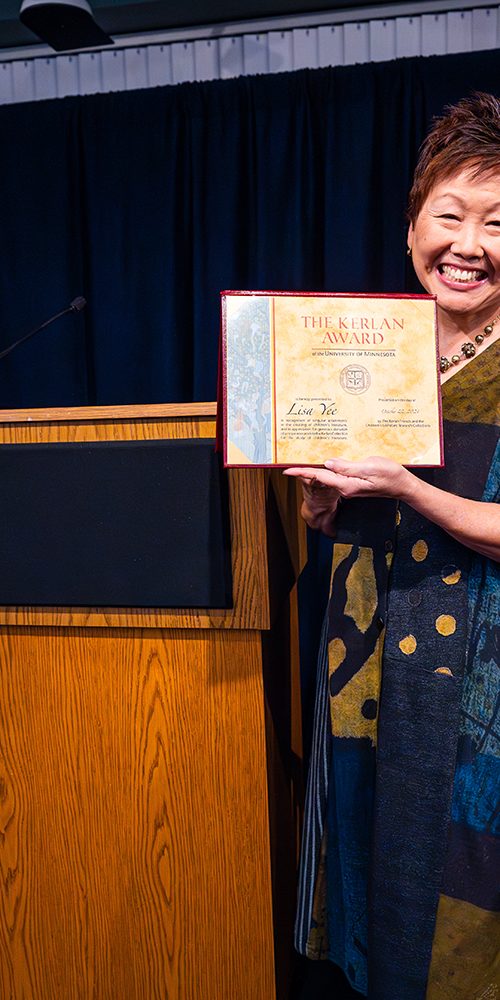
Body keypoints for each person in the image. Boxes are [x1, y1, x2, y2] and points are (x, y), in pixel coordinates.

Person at [284, 92, 500, 999]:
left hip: (483, 686)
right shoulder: (364, 353)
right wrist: (323, 511)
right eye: (448, 213)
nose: (468, 242)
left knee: (465, 907)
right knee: (377, 898)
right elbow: (344, 519)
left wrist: (412, 487)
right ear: (412, 226)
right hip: (369, 666)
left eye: (497, 223)